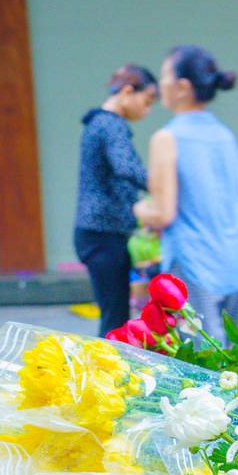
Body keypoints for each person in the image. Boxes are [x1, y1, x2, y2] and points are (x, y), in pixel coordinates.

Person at [135, 45, 238, 340]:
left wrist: (137, 210)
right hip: (235, 263)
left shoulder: (167, 138)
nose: (160, 85)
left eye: (164, 77)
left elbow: (163, 213)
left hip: (194, 266)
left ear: (183, 87)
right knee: (234, 361)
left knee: (203, 369)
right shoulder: (226, 136)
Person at [76, 64, 156, 337]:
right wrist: (165, 188)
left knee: (115, 315)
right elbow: (126, 167)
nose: (146, 111)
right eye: (146, 102)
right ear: (127, 92)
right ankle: (107, 376)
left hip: (98, 235)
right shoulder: (111, 125)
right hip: (103, 236)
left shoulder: (98, 122)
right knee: (115, 321)